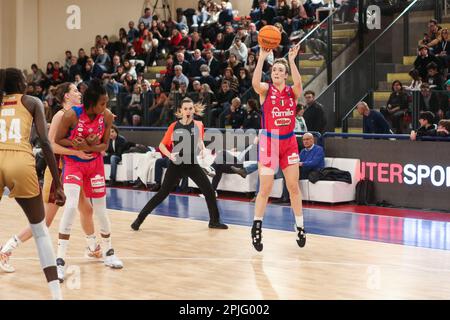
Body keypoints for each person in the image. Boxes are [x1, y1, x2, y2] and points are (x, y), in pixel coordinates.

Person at [0, 83, 102, 274]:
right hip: (59, 172)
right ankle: (7, 249)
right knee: (44, 221)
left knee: (86, 209)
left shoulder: (79, 115)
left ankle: (92, 247)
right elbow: (51, 145)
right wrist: (77, 153)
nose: (79, 93)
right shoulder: (60, 115)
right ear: (66, 96)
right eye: (74, 91)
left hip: (75, 171)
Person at [0, 68, 65, 299]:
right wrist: (57, 183)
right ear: (20, 83)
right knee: (40, 232)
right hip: (20, 160)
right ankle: (56, 295)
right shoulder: (31, 101)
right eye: (25, 80)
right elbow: (46, 143)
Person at [54, 79, 123, 282]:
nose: (106, 107)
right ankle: (59, 260)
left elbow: (103, 147)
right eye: (102, 103)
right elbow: (58, 140)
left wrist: (87, 146)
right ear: (91, 103)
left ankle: (109, 252)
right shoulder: (71, 115)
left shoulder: (107, 116)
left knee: (100, 209)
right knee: (71, 205)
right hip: (74, 164)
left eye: (107, 102)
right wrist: (76, 145)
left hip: (95, 165)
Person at [130, 98, 228, 230]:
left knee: (209, 191)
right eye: (185, 108)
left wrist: (204, 149)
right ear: (181, 111)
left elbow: (199, 141)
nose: (188, 111)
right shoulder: (174, 126)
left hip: (192, 164)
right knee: (162, 194)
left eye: (190, 108)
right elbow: (162, 145)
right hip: (176, 164)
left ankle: (214, 221)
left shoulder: (198, 124)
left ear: (193, 110)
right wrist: (170, 155)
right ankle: (139, 220)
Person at [251, 43, 306, 252]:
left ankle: (300, 225)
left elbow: (300, 84)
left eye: (280, 70)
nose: (276, 72)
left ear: (285, 75)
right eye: (274, 69)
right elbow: (255, 83)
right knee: (265, 189)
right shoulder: (266, 90)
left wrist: (291, 60)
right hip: (269, 142)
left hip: (289, 142)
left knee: (293, 187)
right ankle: (257, 225)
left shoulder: (292, 92)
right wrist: (261, 58)